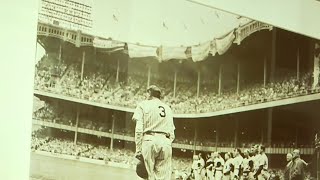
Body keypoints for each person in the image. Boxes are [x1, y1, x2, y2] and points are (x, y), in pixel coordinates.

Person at [133, 85, 175, 180]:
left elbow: (139, 129)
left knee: (148, 176)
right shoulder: (168, 109)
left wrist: (139, 149)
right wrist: (166, 142)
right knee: (163, 178)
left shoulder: (143, 104)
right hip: (165, 142)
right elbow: (172, 133)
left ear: (149, 93)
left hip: (149, 140)